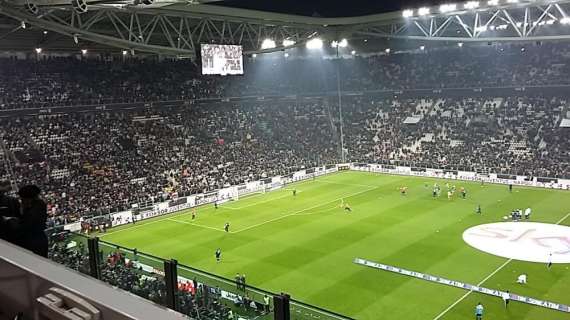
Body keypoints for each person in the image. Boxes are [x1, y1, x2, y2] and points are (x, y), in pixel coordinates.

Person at [17, 185, 48, 257]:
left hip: (33, 242)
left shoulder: (32, 212)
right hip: (40, 240)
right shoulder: (40, 205)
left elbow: (24, 227)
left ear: (28, 199)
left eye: (22, 199)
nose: (21, 202)